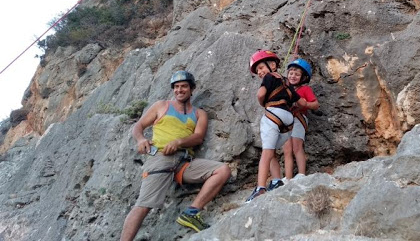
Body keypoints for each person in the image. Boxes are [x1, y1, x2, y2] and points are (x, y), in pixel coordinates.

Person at [120, 71, 231, 240]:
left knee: (222, 170)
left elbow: (198, 136)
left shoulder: (199, 113)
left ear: (191, 89)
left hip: (184, 162)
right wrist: (141, 139)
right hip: (160, 157)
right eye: (176, 87)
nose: (180, 90)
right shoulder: (161, 106)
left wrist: (179, 142)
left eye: (184, 86)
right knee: (143, 205)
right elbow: (138, 126)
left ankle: (192, 212)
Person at [246, 50, 307, 202]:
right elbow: (302, 103)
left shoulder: (269, 77)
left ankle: (260, 187)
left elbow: (260, 95)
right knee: (271, 150)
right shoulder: (287, 82)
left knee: (266, 152)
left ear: (272, 65)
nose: (260, 72)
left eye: (261, 68)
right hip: (288, 121)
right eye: (258, 70)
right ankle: (276, 180)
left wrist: (263, 103)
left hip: (273, 113)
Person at [280, 58, 319, 179]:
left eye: (297, 74)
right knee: (287, 149)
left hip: (298, 118)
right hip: (285, 120)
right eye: (291, 73)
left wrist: (305, 104)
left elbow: (316, 105)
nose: (293, 76)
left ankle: (301, 174)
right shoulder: (284, 89)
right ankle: (288, 177)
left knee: (297, 146)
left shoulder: (305, 89)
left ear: (303, 77)